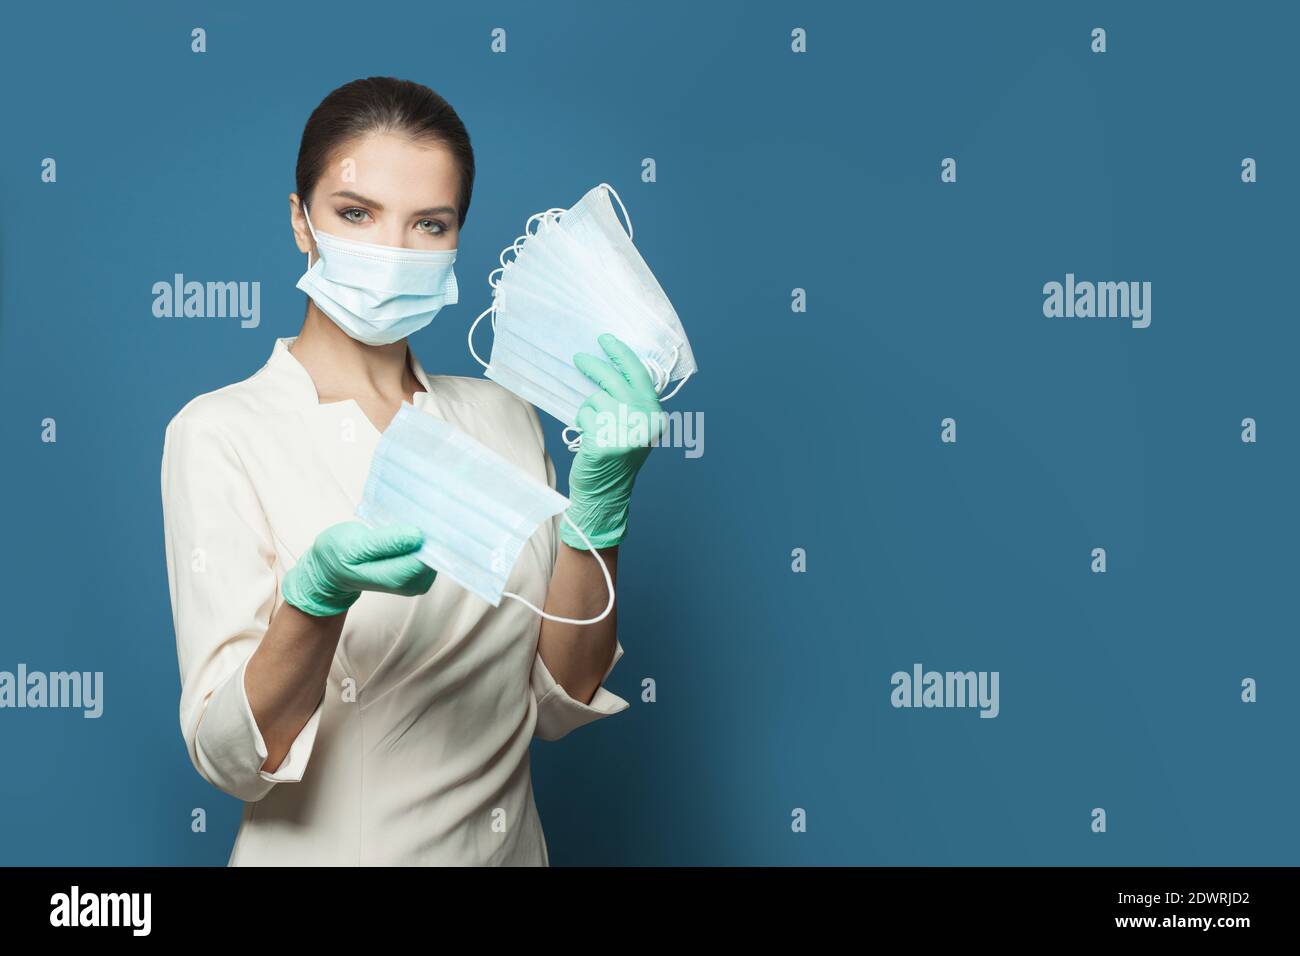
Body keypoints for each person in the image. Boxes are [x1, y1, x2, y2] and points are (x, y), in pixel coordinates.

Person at [160, 77, 660, 865]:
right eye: (355, 214)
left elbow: (562, 695)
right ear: (301, 221)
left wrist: (603, 507)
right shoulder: (219, 432)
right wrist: (312, 606)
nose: (390, 252)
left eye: (429, 223)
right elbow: (230, 759)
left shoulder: (503, 415)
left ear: (458, 237)